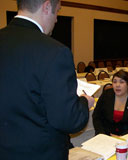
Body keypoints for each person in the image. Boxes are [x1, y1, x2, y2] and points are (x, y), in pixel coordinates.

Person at [0, 0, 95, 160]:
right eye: (57, 11)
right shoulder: (55, 52)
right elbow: (68, 120)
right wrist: (84, 102)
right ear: (46, 6)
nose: (57, 19)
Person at [92, 70, 128, 136]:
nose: (117, 85)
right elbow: (96, 117)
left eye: (121, 82)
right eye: (115, 82)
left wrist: (123, 137)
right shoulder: (106, 95)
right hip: (105, 137)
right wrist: (102, 134)